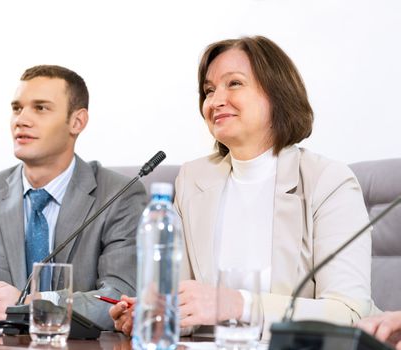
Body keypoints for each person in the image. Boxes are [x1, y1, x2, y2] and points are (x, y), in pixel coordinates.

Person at [110, 36, 376, 339]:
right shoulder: (194, 180)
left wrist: (236, 304)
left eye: (233, 84)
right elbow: (186, 304)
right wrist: (155, 315)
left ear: (277, 94)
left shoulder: (328, 180)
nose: (215, 100)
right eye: (209, 91)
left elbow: (350, 314)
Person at [0, 65, 147, 330]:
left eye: (40, 108)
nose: (22, 120)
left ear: (77, 121)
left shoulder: (120, 194)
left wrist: (30, 304)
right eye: (17, 108)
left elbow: (117, 297)